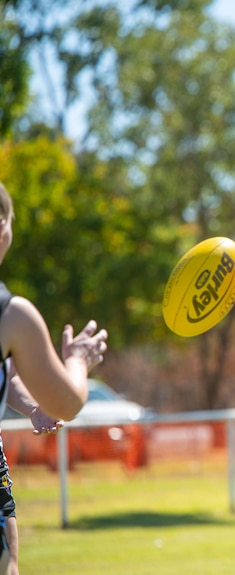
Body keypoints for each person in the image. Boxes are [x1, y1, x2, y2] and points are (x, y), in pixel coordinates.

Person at [0, 181, 109, 575]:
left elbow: (4, 373)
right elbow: (69, 401)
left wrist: (31, 407)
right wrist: (77, 361)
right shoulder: (11, 315)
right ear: (2, 229)